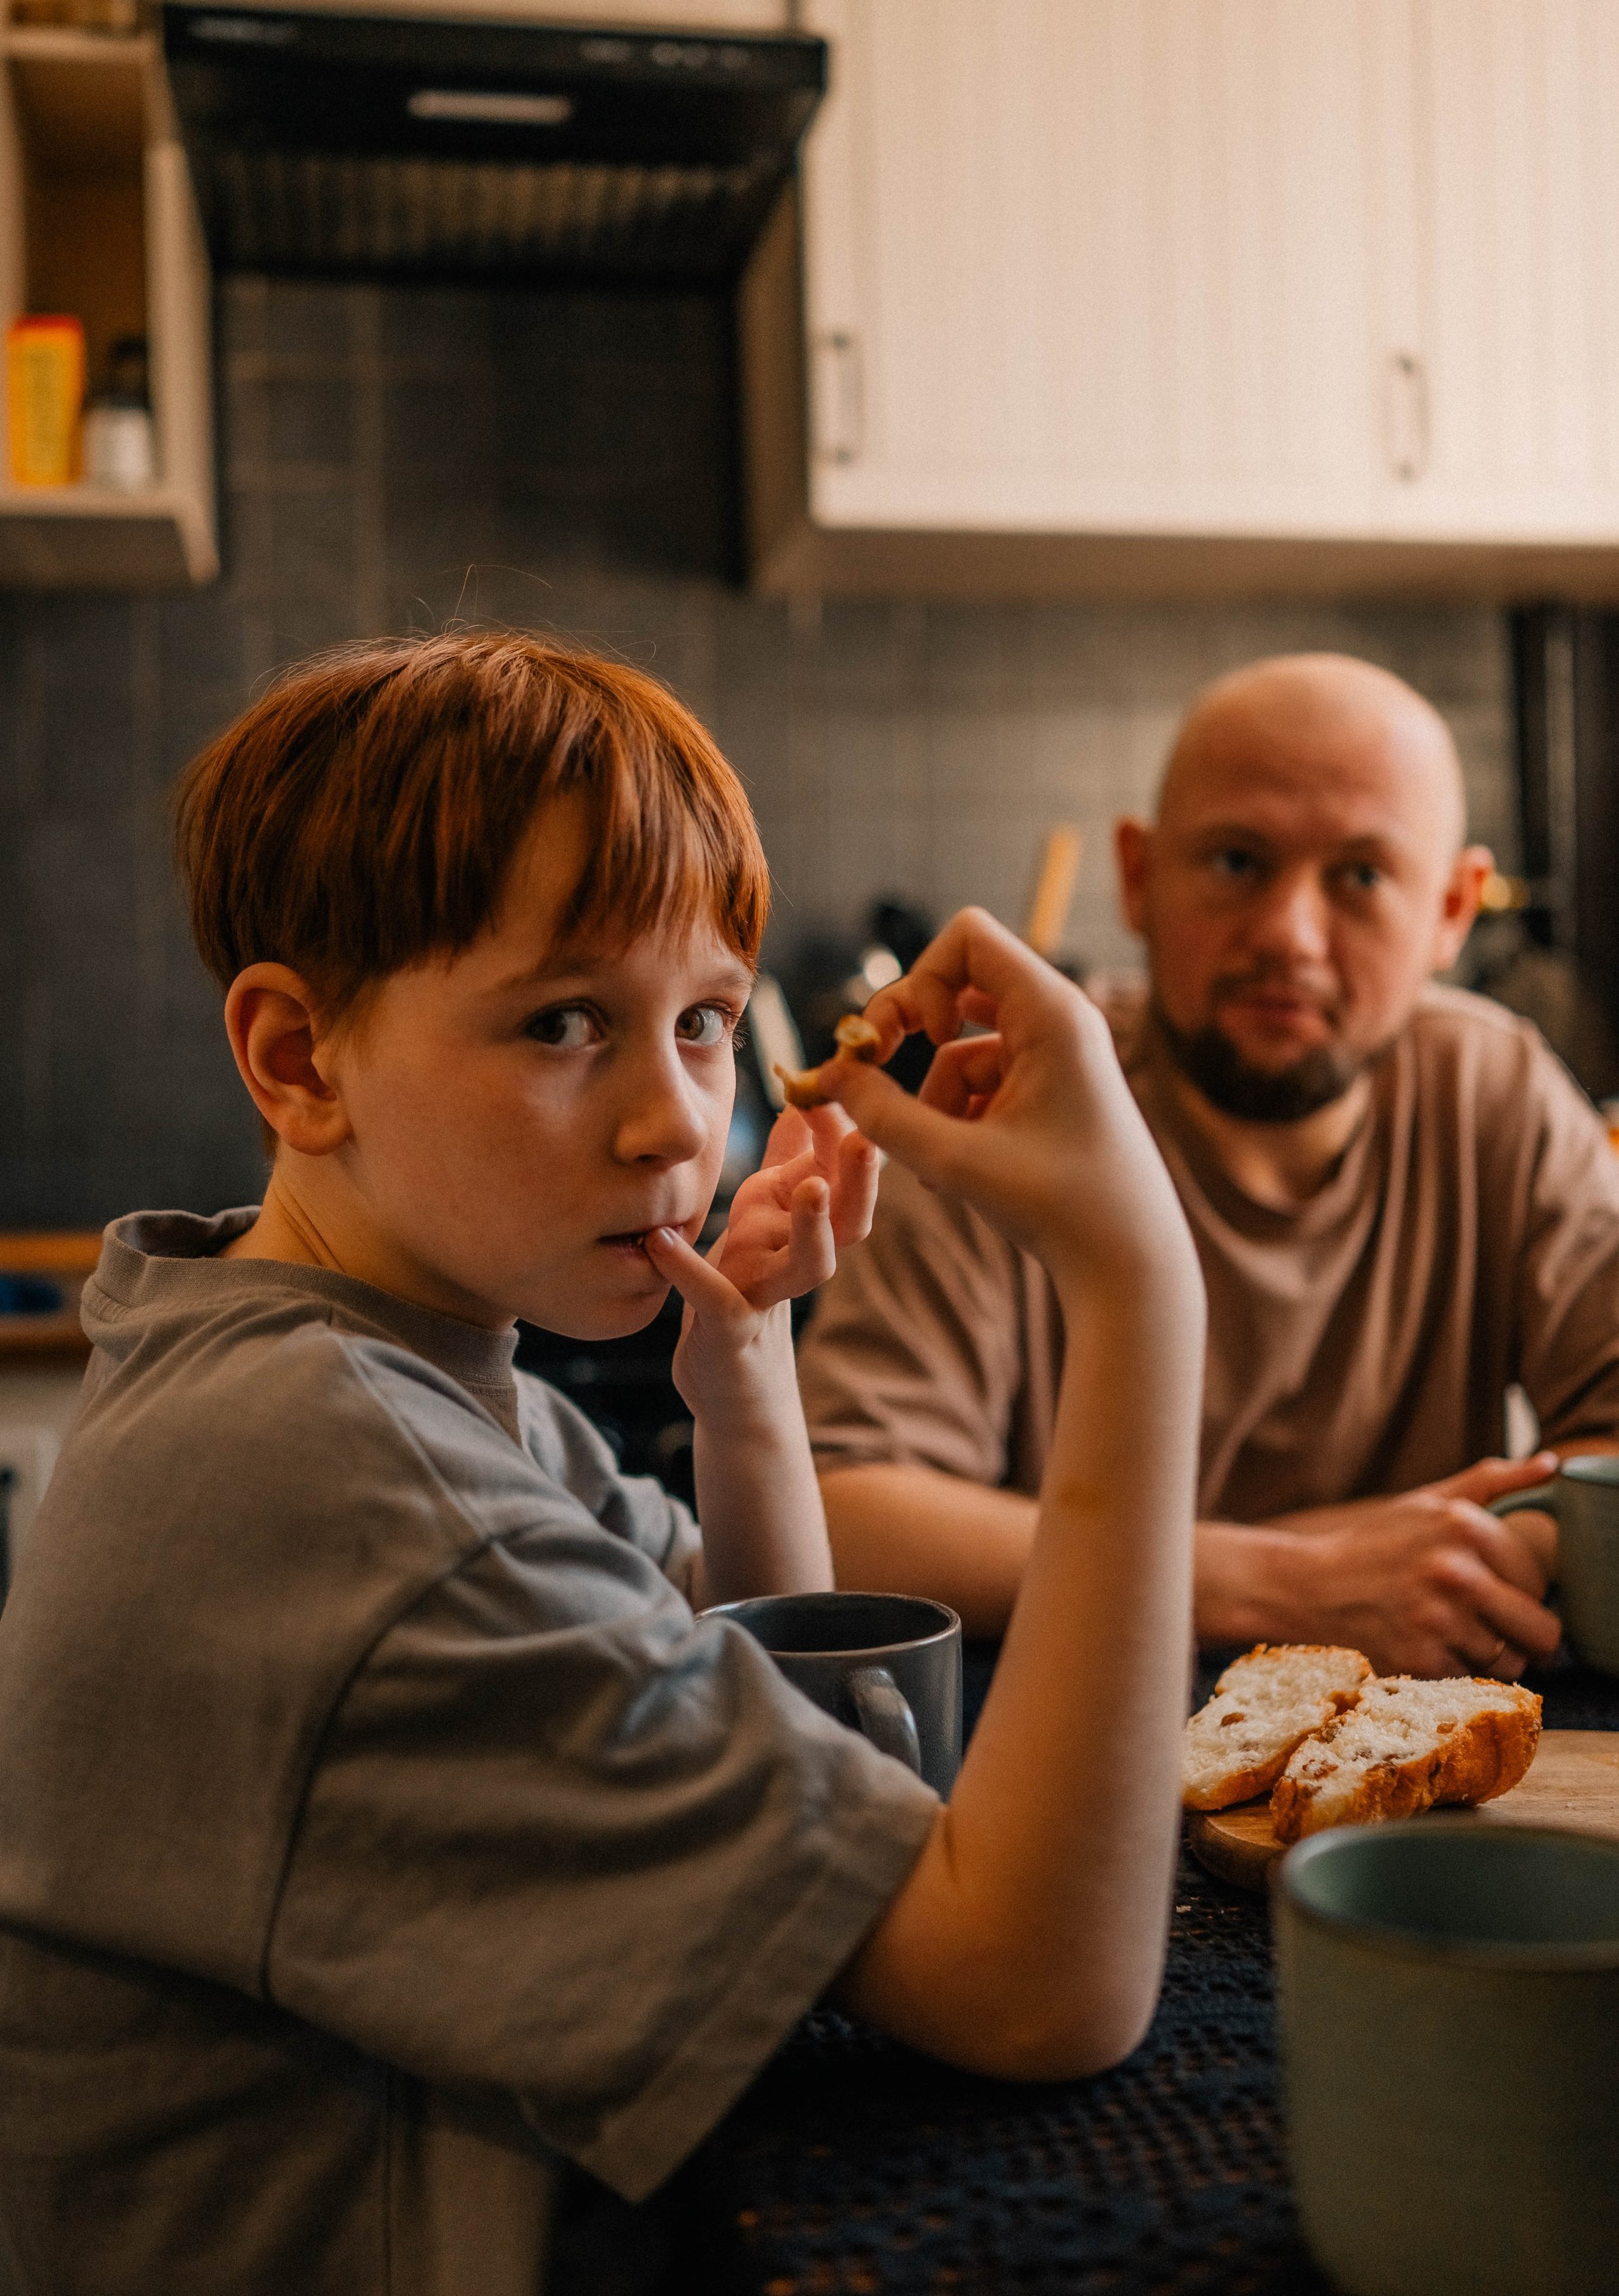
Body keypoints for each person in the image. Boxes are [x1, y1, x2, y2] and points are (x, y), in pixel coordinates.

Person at [0, 632, 1205, 2295]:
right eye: (567, 1020)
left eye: (707, 1019)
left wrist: (748, 1382)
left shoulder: (409, 1376)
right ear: (297, 1059)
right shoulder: (348, 1487)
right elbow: (1034, 1985)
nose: (678, 1123)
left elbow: (797, 1757)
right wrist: (1140, 1286)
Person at [800, 652, 1619, 1680]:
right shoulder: (1008, 1094)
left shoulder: (1501, 1095)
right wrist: (1285, 1580)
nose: (1288, 934)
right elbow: (841, 1515)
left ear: (1452, 912)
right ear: (1140, 876)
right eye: (1237, 862)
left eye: (1361, 876)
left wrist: (1390, 1561)